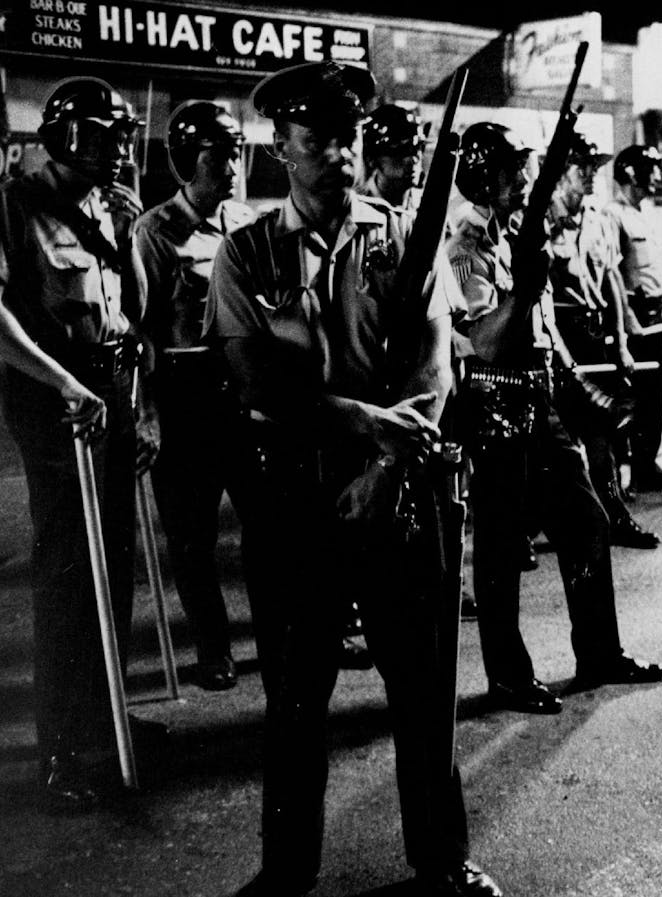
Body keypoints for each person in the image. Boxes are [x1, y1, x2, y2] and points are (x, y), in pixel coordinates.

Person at [205, 62, 501, 897]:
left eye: (349, 136)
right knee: (297, 695)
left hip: (398, 487)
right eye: (317, 138)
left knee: (422, 683)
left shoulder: (405, 235)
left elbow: (435, 361)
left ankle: (441, 859)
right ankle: (287, 867)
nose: (338, 152)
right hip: (296, 494)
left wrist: (383, 460)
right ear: (281, 146)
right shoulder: (246, 250)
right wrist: (361, 422)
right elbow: (257, 378)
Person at [439, 121, 662, 719]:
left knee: (587, 521)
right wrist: (525, 286)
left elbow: (542, 329)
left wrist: (576, 386)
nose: (524, 179)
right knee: (499, 550)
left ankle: (599, 653)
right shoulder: (465, 248)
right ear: (484, 175)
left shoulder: (518, 234)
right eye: (514, 169)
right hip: (493, 408)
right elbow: (485, 340)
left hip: (539, 401)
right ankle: (508, 678)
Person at [0, 76, 162, 809]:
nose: (116, 151)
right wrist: (64, 383)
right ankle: (61, 750)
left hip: (115, 394)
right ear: (65, 136)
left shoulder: (107, 206)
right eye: (102, 137)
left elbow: (129, 313)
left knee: (115, 564)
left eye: (121, 138)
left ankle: (104, 718)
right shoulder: (14, 204)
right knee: (68, 575)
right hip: (57, 402)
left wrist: (140, 404)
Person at [131, 101, 255, 692]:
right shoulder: (154, 233)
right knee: (193, 537)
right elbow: (139, 329)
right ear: (186, 161)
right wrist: (147, 414)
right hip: (184, 398)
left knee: (268, 521)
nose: (233, 164)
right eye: (218, 153)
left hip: (243, 396)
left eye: (236, 151)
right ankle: (212, 647)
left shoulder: (247, 223)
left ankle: (291, 631)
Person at [545, 132, 659, 548]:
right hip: (559, 333)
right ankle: (532, 525)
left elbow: (611, 275)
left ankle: (613, 516)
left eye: (593, 167)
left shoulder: (598, 218)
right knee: (553, 434)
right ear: (560, 173)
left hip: (592, 332)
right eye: (582, 168)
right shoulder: (539, 218)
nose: (590, 175)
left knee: (600, 432)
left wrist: (622, 341)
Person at [605, 144, 662, 492]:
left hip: (655, 313)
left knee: (654, 396)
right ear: (630, 173)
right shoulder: (613, 215)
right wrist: (626, 319)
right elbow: (612, 274)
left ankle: (646, 467)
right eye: (650, 169)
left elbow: (653, 270)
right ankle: (619, 478)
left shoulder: (645, 215)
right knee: (630, 398)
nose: (657, 177)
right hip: (634, 316)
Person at [358, 103, 425, 209]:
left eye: (418, 148)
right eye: (401, 150)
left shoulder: (429, 206)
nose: (414, 159)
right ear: (372, 159)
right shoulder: (356, 210)